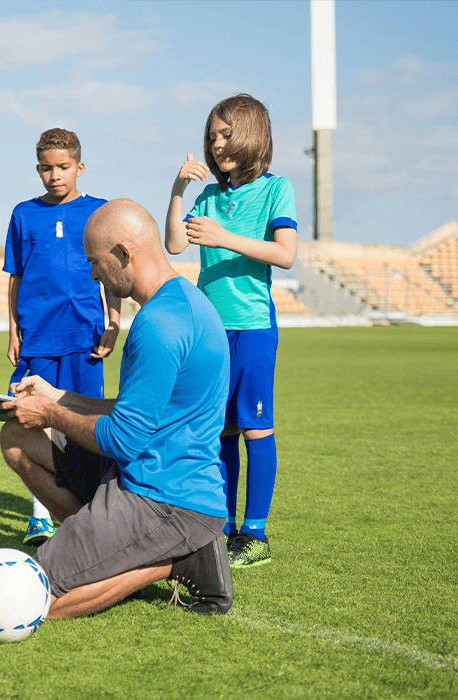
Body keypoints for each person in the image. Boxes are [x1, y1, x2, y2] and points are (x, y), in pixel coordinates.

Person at [0, 199, 233, 619]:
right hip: (152, 473)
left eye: (95, 262)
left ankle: (172, 560)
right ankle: (108, 549)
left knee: (33, 602)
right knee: (17, 436)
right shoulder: (180, 301)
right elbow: (136, 411)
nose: (92, 274)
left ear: (124, 254)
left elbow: (122, 439)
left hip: (166, 497)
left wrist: (50, 415)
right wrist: (55, 395)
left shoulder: (160, 325)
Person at [164, 93, 297, 567]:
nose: (217, 144)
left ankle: (255, 534)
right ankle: (219, 527)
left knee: (256, 428)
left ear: (251, 134)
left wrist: (223, 237)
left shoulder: (277, 188)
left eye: (226, 134)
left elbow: (285, 254)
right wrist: (178, 189)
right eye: (212, 136)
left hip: (254, 327)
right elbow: (175, 245)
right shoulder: (210, 195)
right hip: (210, 330)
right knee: (219, 431)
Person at [3, 127, 121, 547]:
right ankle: (42, 517)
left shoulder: (99, 211)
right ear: (38, 169)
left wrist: (112, 321)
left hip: (84, 336)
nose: (55, 175)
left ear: (80, 167)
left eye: (64, 167)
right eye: (47, 168)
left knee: (84, 424)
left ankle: (94, 507)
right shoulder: (23, 214)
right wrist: (14, 329)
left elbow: (111, 271)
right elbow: (15, 276)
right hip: (37, 336)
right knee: (31, 419)